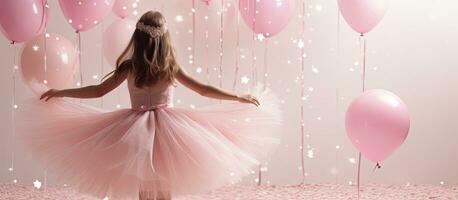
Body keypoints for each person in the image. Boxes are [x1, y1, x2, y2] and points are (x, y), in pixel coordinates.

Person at [17, 11, 282, 200]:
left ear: (138, 38)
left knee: (145, 180)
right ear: (164, 38)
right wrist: (236, 96)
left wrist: (62, 91)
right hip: (169, 128)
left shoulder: (131, 67)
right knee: (162, 180)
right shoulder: (168, 67)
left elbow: (98, 91)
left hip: (138, 128)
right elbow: (202, 89)